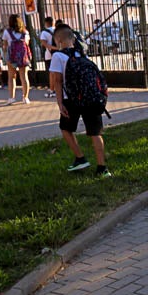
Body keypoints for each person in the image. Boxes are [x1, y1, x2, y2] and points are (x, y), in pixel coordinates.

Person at [49, 25, 111, 177]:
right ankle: (102, 168)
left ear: (58, 40)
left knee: (66, 128)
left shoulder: (58, 56)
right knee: (95, 133)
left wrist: (60, 103)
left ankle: (80, 157)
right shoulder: (83, 56)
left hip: (71, 101)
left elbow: (56, 82)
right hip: (91, 98)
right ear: (73, 39)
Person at [2, 14, 33, 105]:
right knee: (24, 77)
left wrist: (5, 54)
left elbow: (5, 45)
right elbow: (26, 44)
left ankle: (12, 97)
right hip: (23, 57)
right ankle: (25, 97)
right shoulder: (25, 32)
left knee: (12, 77)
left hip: (11, 57)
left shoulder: (7, 32)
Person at [40, 15, 56, 98]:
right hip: (60, 53)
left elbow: (44, 43)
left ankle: (52, 89)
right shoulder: (58, 30)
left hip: (49, 55)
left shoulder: (44, 32)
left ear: (46, 23)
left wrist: (53, 48)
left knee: (52, 73)